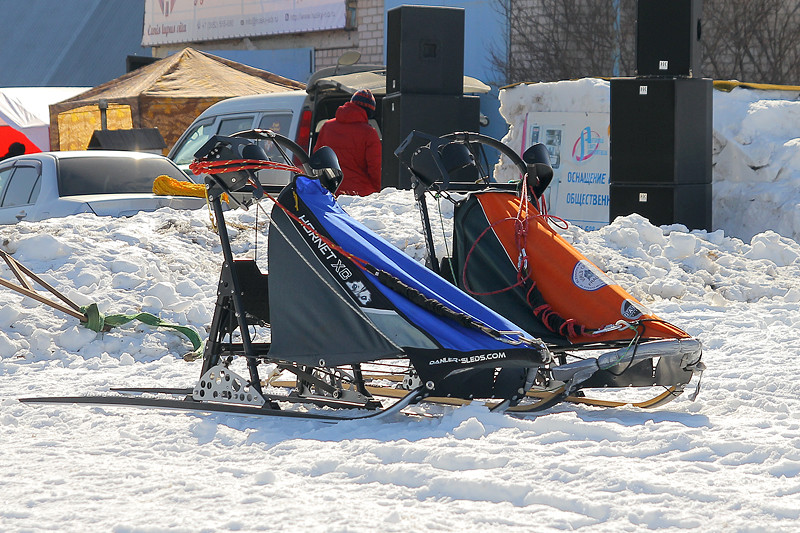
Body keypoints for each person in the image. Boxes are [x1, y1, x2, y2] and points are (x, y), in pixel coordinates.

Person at [313, 89, 381, 196]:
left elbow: (317, 159)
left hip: (331, 191)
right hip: (360, 193)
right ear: (369, 112)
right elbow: (375, 167)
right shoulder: (369, 133)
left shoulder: (327, 126)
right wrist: (378, 190)